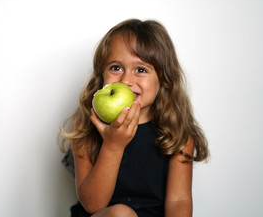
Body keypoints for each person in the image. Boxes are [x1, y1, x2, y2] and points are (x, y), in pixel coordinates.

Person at [59, 19, 209, 217]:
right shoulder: (85, 128)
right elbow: (93, 205)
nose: (126, 80)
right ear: (101, 75)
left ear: (163, 78)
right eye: (115, 68)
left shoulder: (177, 134)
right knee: (121, 214)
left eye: (141, 70)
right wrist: (113, 145)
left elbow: (179, 201)